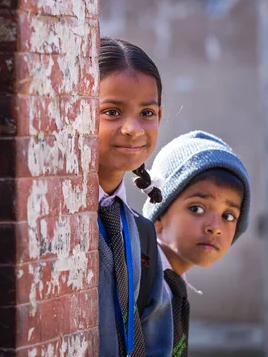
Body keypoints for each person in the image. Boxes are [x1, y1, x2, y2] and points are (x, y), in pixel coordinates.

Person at [142, 130, 251, 357]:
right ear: (159, 216)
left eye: (228, 216)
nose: (215, 226)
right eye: (197, 208)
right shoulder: (140, 281)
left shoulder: (172, 285)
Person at [97, 37, 173, 357]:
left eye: (146, 112)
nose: (133, 128)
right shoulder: (56, 225)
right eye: (112, 112)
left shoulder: (141, 235)